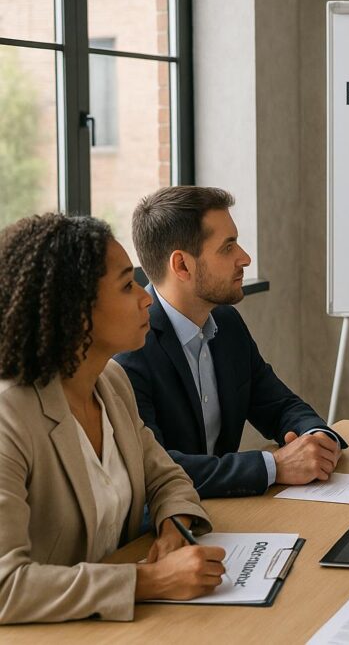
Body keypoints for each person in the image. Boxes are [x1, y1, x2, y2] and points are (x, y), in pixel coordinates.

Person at [0, 214, 226, 624]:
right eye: (127, 285)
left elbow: (166, 477)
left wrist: (174, 524)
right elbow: (4, 587)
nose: (146, 298)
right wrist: (149, 580)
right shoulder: (8, 418)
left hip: (109, 625)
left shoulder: (111, 381)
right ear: (74, 312)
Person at [115, 186, 346, 499]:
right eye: (228, 247)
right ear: (182, 265)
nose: (245, 258)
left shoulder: (226, 323)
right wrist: (274, 466)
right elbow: (154, 470)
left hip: (229, 512)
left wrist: (316, 438)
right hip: (168, 530)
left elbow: (279, 405)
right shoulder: (129, 350)